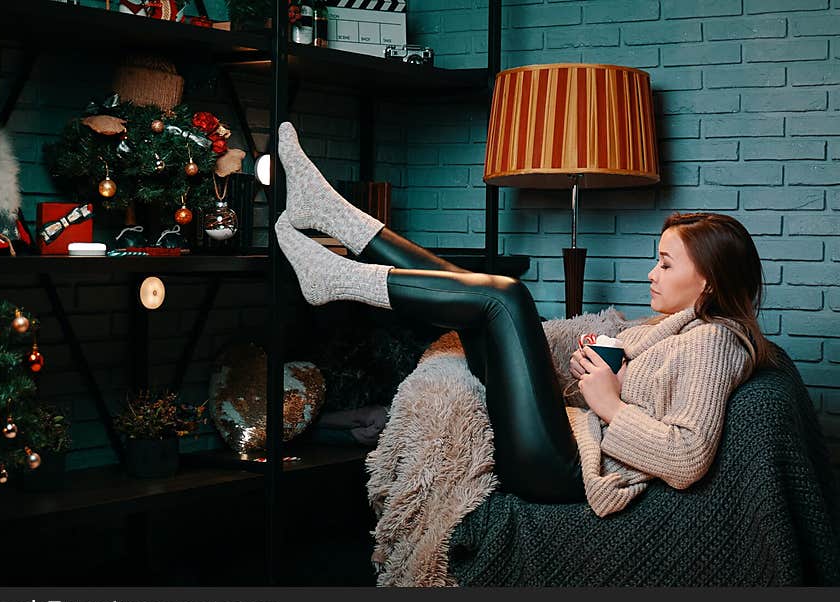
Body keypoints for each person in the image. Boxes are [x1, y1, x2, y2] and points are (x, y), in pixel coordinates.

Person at [274, 121, 775, 517]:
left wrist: (610, 405)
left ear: (708, 281)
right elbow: (642, 399)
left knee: (505, 297)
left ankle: (338, 276)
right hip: (563, 441)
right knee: (476, 303)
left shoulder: (714, 343)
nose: (651, 274)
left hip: (564, 472)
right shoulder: (675, 332)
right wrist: (606, 376)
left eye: (666, 263)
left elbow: (687, 458)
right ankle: (335, 216)